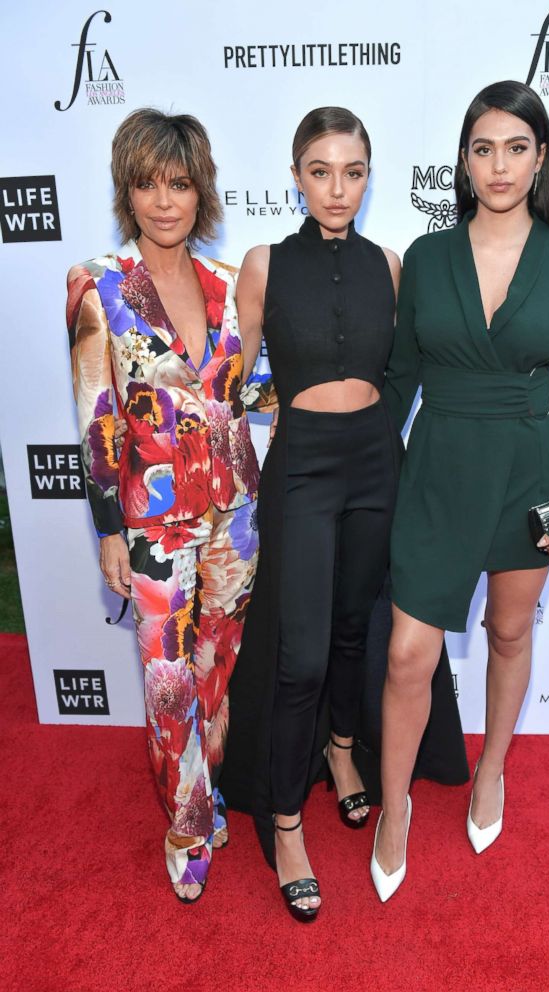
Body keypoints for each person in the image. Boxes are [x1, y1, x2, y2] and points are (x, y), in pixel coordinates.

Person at [221, 106, 467, 921]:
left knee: (358, 630)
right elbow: (230, 386)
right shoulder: (260, 265)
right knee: (299, 655)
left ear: (369, 176)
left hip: (375, 462)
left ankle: (343, 748)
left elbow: (406, 375)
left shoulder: (391, 265)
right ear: (295, 175)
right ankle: (285, 822)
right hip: (301, 467)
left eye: (353, 172)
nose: (337, 188)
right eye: (321, 171)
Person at [371, 80, 549, 902]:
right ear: (464, 161)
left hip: (528, 473)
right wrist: (353, 469)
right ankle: (394, 805)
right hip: (438, 469)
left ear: (540, 158)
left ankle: (492, 769)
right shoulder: (428, 255)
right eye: (483, 148)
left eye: (516, 147)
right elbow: (401, 378)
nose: (499, 164)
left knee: (510, 634)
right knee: (409, 653)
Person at [67, 108, 265, 904]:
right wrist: (109, 529)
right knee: (165, 677)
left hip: (236, 515)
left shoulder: (229, 284)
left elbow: (251, 393)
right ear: (128, 190)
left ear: (200, 191)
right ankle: (185, 825)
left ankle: (206, 788)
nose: (163, 200)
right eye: (146, 183)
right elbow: (95, 410)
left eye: (178, 183)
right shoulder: (99, 283)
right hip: (151, 521)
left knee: (219, 666)